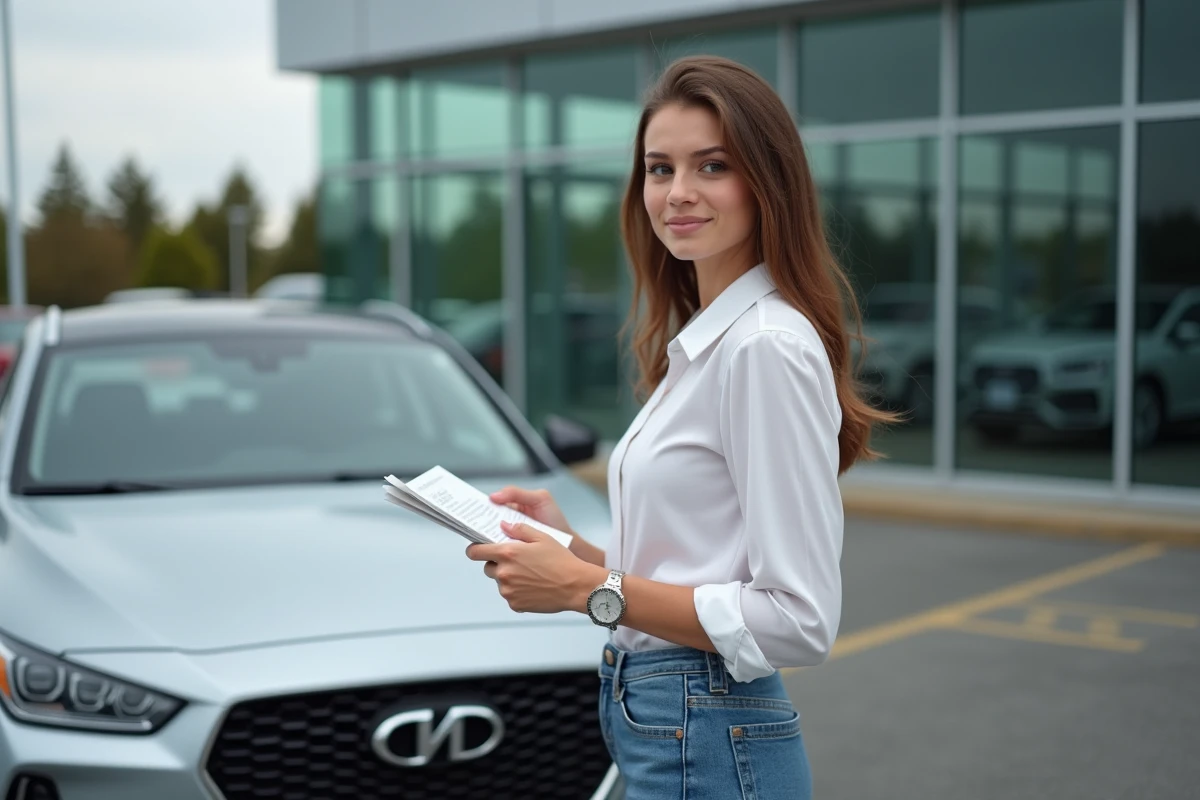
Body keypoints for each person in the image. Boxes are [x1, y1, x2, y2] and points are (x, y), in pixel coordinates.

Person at [465, 55, 893, 799]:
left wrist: (587, 588)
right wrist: (569, 552)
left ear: (768, 183)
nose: (678, 192)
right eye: (660, 169)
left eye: (712, 166)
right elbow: (695, 570)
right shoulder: (708, 344)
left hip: (707, 730)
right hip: (672, 722)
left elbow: (797, 620)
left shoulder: (763, 348)